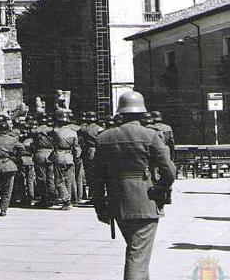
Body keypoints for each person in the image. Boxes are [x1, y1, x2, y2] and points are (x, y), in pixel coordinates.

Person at [94, 91, 175, 280]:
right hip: (145, 201)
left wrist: (100, 207)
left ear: (120, 113)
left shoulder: (104, 137)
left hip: (117, 203)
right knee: (137, 257)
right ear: (141, 112)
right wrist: (159, 189)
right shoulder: (151, 136)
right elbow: (169, 171)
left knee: (136, 251)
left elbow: (96, 178)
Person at [50, 111, 80, 210]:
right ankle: (69, 199)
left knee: (58, 180)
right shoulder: (73, 132)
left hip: (59, 156)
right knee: (68, 180)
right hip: (69, 157)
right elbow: (76, 147)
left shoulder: (56, 131)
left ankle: (66, 199)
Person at [78, 111, 104, 202]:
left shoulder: (85, 128)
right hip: (99, 151)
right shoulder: (100, 129)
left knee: (91, 176)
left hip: (90, 152)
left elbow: (79, 129)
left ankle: (94, 196)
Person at [31, 114, 55, 207]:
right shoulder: (52, 130)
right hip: (50, 154)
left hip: (40, 154)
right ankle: (52, 197)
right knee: (51, 177)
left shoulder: (36, 130)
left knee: (41, 178)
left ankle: (44, 198)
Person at [13, 123, 35, 206]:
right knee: (30, 180)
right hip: (30, 160)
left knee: (21, 179)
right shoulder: (32, 140)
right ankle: (31, 197)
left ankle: (21, 197)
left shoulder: (17, 140)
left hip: (21, 160)